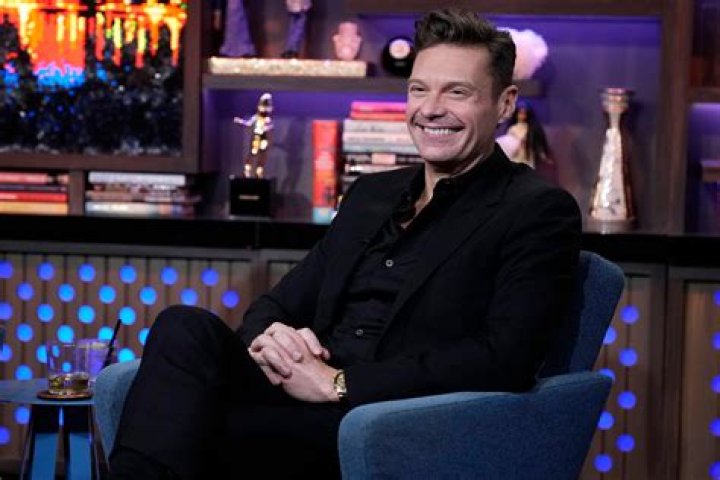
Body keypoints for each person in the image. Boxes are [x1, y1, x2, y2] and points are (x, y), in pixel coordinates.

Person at [109, 8, 581, 480]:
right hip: (296, 393)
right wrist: (275, 341)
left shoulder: (535, 209)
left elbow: (505, 357)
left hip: (385, 421)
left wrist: (339, 383)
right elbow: (275, 305)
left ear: (504, 103)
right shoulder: (372, 194)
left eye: (457, 92)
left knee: (190, 429)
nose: (430, 109)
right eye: (419, 89)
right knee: (183, 326)